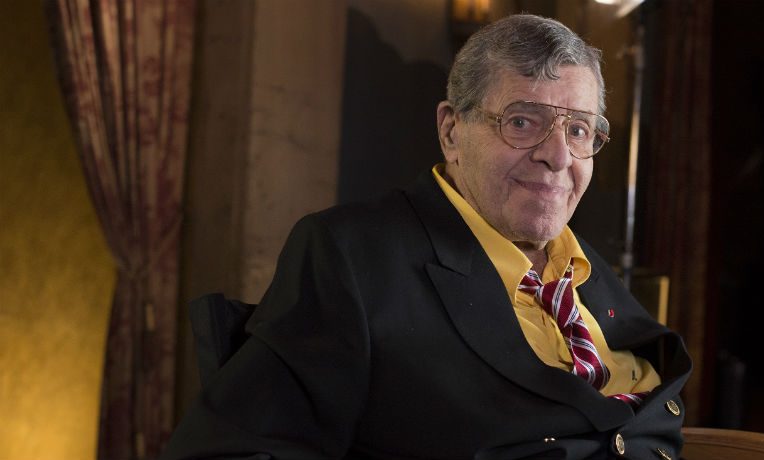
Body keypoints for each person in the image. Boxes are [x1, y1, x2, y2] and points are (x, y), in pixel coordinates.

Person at [162, 14, 691, 460]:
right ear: (451, 132)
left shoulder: (583, 269)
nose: (558, 157)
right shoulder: (351, 257)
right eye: (522, 122)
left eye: (578, 130)